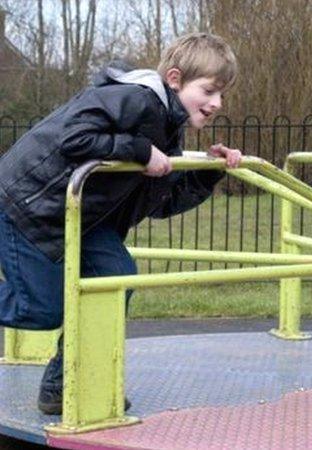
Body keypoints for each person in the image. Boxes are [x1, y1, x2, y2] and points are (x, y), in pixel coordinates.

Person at [0, 32, 241, 414]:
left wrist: (205, 176)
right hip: (27, 205)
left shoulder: (167, 127)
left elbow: (160, 201)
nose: (217, 103)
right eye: (209, 90)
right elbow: (73, 137)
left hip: (81, 219)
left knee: (116, 277)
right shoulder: (134, 97)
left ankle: (61, 386)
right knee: (40, 309)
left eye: (222, 94)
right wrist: (139, 150)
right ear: (176, 79)